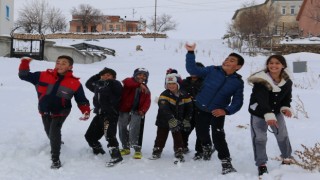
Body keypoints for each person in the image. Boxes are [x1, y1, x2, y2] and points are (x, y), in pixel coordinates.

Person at [18, 56, 91, 169]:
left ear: (70, 67)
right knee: (49, 131)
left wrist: (85, 111)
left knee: (54, 132)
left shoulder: (75, 83)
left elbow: (81, 100)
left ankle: (55, 159)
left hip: (61, 111)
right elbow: (23, 75)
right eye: (58, 63)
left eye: (63, 63)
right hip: (45, 110)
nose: (60, 65)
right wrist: (25, 62)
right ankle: (56, 141)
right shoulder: (42, 75)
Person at [185, 43, 244, 175]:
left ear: (238, 67)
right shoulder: (212, 70)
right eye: (227, 58)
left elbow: (238, 101)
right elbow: (193, 70)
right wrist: (190, 53)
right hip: (200, 107)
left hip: (217, 111)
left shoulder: (237, 82)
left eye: (232, 60)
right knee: (201, 132)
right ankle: (206, 147)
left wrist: (226, 111)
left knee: (218, 136)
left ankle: (226, 163)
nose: (227, 61)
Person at [247, 55, 294, 177]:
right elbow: (261, 99)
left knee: (282, 135)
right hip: (258, 113)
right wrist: (269, 115)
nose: (273, 65)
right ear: (267, 65)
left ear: (283, 65)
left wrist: (285, 108)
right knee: (260, 138)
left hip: (276, 113)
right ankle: (261, 164)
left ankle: (287, 158)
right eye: (271, 63)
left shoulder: (287, 82)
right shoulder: (261, 80)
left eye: (277, 63)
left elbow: (287, 98)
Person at [84, 67, 124, 166]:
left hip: (110, 115)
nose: (106, 76)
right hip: (99, 115)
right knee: (89, 136)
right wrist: (99, 75)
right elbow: (88, 84)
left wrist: (108, 81)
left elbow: (116, 88)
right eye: (104, 75)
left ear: (114, 77)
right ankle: (98, 151)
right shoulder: (98, 86)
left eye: (108, 75)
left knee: (110, 136)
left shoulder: (116, 84)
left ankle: (116, 156)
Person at [151, 73, 193, 163]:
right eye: (169, 84)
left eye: (173, 84)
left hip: (178, 120)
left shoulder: (184, 94)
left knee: (178, 136)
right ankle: (157, 150)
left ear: (178, 84)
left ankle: (179, 151)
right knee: (161, 136)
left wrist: (187, 119)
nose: (171, 86)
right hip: (164, 120)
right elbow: (164, 109)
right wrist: (171, 119)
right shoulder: (164, 95)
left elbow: (189, 108)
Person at [181, 62, 214, 159]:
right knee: (184, 129)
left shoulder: (207, 82)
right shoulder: (184, 82)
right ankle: (183, 146)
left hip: (202, 111)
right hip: (187, 112)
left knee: (201, 131)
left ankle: (200, 150)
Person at [118, 68, 151, 159]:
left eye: (144, 76)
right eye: (140, 74)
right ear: (135, 75)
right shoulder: (128, 82)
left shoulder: (146, 89)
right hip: (124, 110)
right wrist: (139, 84)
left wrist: (143, 110)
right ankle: (125, 147)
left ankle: (137, 149)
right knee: (122, 127)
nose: (142, 77)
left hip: (137, 111)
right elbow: (127, 82)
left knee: (135, 128)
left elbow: (147, 101)